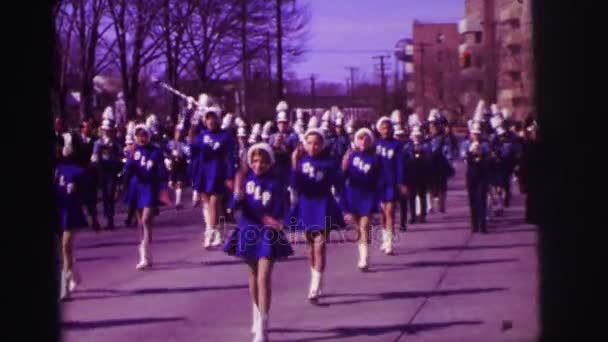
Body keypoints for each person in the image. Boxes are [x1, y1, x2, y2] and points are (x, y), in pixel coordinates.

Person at [224, 142, 294, 342]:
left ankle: (264, 324)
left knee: (264, 277)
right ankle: (257, 313)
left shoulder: (276, 183)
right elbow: (233, 207)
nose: (258, 165)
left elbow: (282, 208)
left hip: (268, 233)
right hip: (248, 229)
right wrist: (236, 196)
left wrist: (280, 221)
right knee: (253, 274)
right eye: (254, 161)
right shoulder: (245, 180)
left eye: (262, 161)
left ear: (270, 162)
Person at [290, 127, 345, 303]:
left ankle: (314, 287)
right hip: (306, 206)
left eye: (316, 144)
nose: (313, 147)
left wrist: (346, 206)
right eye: (310, 143)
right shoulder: (301, 161)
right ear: (305, 145)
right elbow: (295, 185)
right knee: (310, 248)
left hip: (323, 206)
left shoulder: (329, 163)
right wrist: (294, 163)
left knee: (320, 246)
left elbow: (339, 183)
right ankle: (317, 277)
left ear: (322, 145)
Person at [190, 105, 236, 249]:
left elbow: (229, 157)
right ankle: (217, 232)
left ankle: (210, 233)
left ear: (218, 119)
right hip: (203, 172)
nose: (211, 121)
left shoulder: (225, 136)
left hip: (218, 172)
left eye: (213, 118)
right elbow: (194, 152)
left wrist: (229, 176)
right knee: (208, 203)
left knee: (214, 203)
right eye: (208, 118)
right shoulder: (201, 135)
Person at [122, 124, 165, 269]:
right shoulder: (133, 151)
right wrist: (130, 157)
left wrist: (163, 188)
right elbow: (127, 171)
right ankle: (144, 255)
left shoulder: (156, 151)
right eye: (139, 135)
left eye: (144, 135)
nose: (142, 138)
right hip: (136, 188)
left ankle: (146, 254)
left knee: (146, 219)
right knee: (140, 223)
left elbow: (161, 171)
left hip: (150, 188)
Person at [342, 128, 383, 271]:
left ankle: (364, 258)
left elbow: (379, 179)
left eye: (366, 139)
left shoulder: (375, 159)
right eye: (360, 138)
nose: (363, 141)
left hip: (368, 195)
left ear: (371, 141)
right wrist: (344, 165)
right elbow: (343, 176)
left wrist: (380, 198)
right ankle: (362, 252)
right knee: (357, 227)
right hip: (353, 194)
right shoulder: (352, 156)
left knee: (365, 225)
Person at [56, 132, 88, 300]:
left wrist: (94, 216)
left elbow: (87, 196)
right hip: (57, 211)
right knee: (63, 250)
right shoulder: (54, 169)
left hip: (71, 212)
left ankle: (64, 287)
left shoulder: (78, 171)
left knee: (66, 245)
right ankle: (74, 273)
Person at [374, 116, 401, 255]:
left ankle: (390, 242)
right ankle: (384, 239)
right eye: (383, 128)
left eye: (388, 128)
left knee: (390, 211)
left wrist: (400, 181)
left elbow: (399, 164)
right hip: (378, 183)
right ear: (379, 129)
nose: (386, 130)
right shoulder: (375, 144)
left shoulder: (396, 144)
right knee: (382, 213)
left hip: (391, 182)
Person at [90, 119, 122, 230]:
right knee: (104, 195)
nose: (107, 132)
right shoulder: (98, 143)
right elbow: (94, 155)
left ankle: (111, 219)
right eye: (105, 130)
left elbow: (120, 155)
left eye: (109, 130)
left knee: (110, 194)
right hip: (102, 170)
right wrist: (94, 159)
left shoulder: (115, 143)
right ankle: (107, 217)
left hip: (112, 170)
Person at [461, 122, 491, 233]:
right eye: (474, 134)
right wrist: (470, 150)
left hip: (482, 175)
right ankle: (474, 224)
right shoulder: (465, 144)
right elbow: (462, 155)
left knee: (482, 199)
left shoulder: (485, 145)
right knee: (472, 200)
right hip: (471, 174)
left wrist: (481, 151)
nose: (476, 136)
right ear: (470, 134)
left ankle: (483, 224)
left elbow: (488, 157)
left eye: (478, 134)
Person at [402, 126, 431, 224]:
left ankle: (422, 215)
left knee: (422, 194)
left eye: (418, 136)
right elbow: (404, 160)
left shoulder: (426, 146)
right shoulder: (407, 147)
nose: (417, 138)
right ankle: (413, 215)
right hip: (411, 174)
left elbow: (429, 159)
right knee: (412, 196)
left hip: (422, 174)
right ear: (411, 137)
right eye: (415, 136)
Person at [165, 126, 189, 210]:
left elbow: (188, 153)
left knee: (180, 183)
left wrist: (182, 154)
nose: (178, 134)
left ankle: (178, 202)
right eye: (177, 132)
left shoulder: (184, 144)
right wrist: (168, 158)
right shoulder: (170, 143)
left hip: (181, 164)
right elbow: (165, 152)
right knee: (171, 184)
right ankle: (169, 199)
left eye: (180, 133)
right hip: (172, 165)